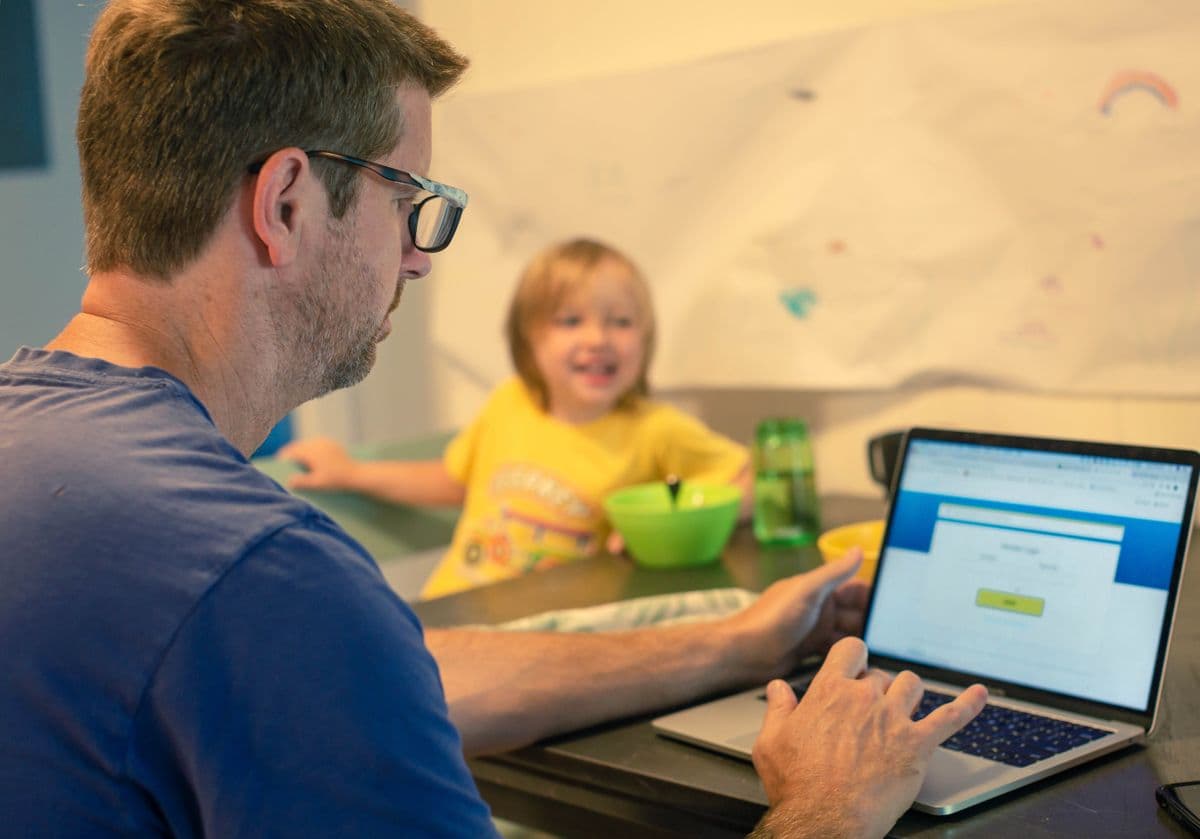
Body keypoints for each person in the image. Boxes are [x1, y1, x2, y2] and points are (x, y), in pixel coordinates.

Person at [0, 1, 986, 837]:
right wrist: (827, 805)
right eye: (408, 200)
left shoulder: (46, 452)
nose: (420, 257)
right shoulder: (262, 574)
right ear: (288, 202)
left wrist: (733, 641)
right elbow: (320, 641)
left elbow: (395, 671)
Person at [280, 237, 754, 597]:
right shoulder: (511, 403)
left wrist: (672, 527)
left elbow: (746, 475)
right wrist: (353, 472)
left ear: (645, 340)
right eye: (571, 321)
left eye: (621, 322)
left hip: (558, 636)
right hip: (454, 607)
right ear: (529, 338)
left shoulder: (655, 429)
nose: (598, 339)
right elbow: (454, 480)